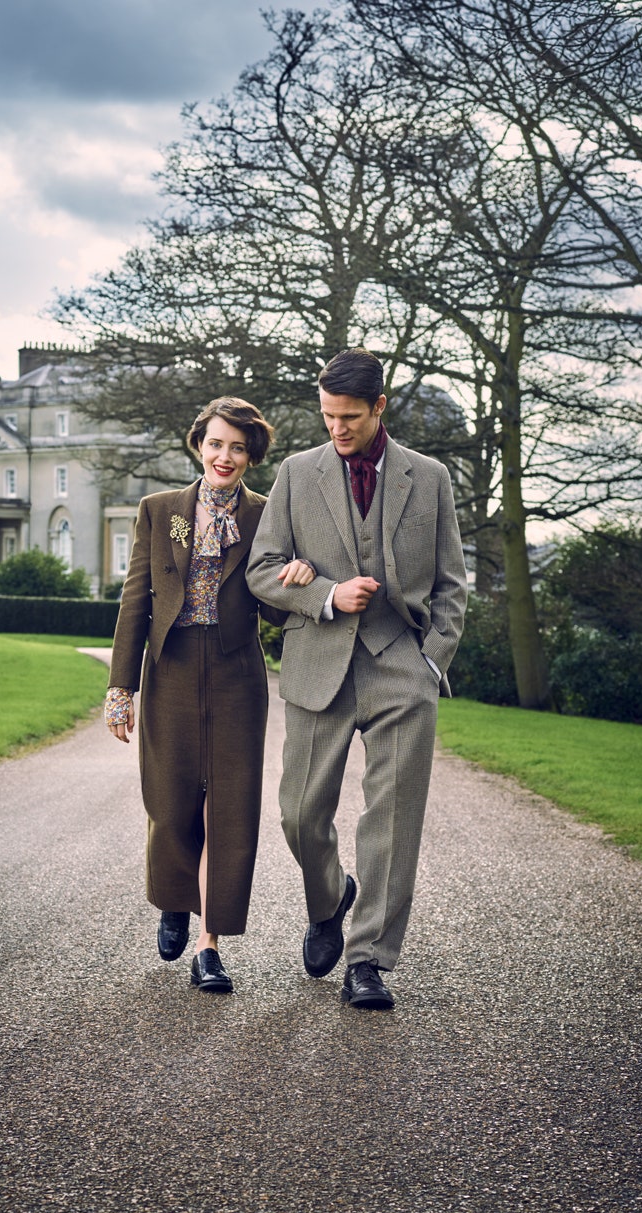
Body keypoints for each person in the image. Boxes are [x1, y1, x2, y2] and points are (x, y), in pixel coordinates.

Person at [246, 348, 467, 1011]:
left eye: (348, 417)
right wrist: (325, 593)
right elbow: (262, 568)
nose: (336, 430)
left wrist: (433, 661)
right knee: (299, 813)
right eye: (326, 416)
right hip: (319, 661)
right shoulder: (295, 473)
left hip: (403, 664)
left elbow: (453, 582)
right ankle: (328, 899)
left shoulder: (428, 478)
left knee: (393, 822)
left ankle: (368, 960)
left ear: (379, 407)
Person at [105, 396, 310, 995]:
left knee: (229, 812)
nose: (226, 456)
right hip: (168, 667)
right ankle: (174, 898)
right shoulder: (158, 509)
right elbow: (135, 601)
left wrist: (294, 580)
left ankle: (210, 946)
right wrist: (122, 687)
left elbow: (272, 608)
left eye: (238, 447)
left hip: (236, 675)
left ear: (252, 455)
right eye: (217, 443)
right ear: (199, 444)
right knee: (170, 801)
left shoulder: (268, 514)